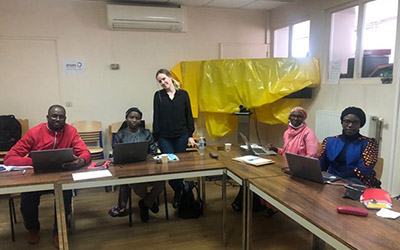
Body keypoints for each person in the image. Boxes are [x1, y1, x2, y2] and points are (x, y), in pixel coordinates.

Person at [4, 104, 90, 247]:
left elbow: (85, 152)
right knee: (27, 201)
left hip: (61, 175)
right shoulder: (35, 132)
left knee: (65, 197)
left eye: (61, 116)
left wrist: (81, 161)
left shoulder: (71, 131)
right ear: (47, 118)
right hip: (37, 176)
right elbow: (10, 157)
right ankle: (33, 228)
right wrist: (35, 162)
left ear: (65, 118)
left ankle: (59, 231)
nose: (57, 119)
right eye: (54, 116)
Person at [153, 69, 196, 208]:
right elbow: (156, 117)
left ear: (170, 77)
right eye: (160, 81)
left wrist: (190, 135)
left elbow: (188, 115)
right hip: (165, 137)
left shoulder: (183, 94)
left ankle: (179, 194)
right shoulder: (158, 96)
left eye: (164, 79)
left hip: (181, 135)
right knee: (169, 167)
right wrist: (156, 137)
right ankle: (181, 188)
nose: (163, 82)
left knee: (179, 165)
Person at [108, 107, 161, 222]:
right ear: (126, 119)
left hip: (147, 167)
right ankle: (150, 202)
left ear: (140, 120)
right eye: (131, 117)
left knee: (161, 182)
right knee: (138, 186)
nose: (134, 120)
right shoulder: (120, 135)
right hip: (130, 170)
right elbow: (116, 154)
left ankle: (145, 204)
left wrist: (148, 158)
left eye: (137, 118)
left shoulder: (146, 133)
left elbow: (153, 150)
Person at [319, 106, 381, 188]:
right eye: (347, 121)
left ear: (360, 124)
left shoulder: (369, 143)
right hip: (332, 182)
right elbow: (321, 166)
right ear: (342, 122)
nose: (350, 125)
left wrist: (337, 178)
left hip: (359, 183)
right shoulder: (329, 141)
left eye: (355, 122)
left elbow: (363, 170)